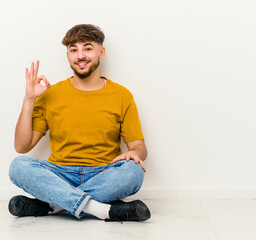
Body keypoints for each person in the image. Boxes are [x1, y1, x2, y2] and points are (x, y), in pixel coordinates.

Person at [8, 24, 150, 222]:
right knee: (18, 166)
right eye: (73, 49)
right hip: (60, 173)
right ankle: (102, 210)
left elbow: (138, 146)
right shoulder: (51, 94)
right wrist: (29, 99)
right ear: (68, 55)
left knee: (133, 172)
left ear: (101, 52)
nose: (80, 55)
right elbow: (22, 146)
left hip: (103, 172)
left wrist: (135, 153)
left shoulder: (122, 96)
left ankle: (53, 205)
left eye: (87, 48)